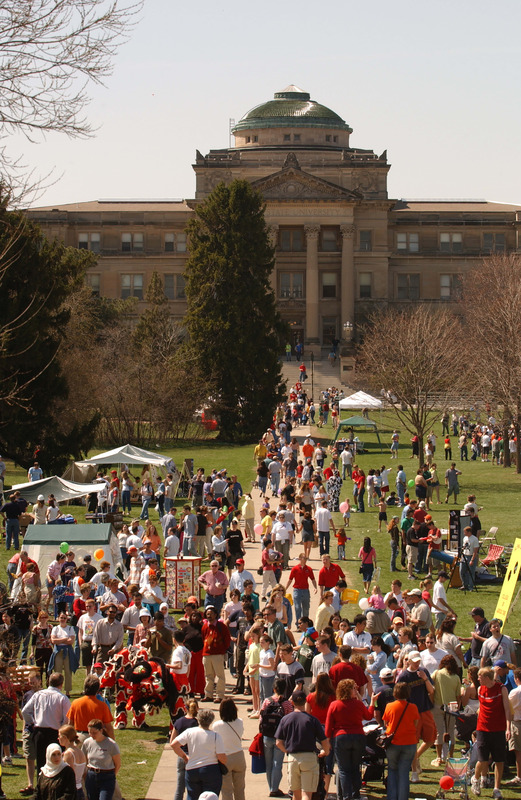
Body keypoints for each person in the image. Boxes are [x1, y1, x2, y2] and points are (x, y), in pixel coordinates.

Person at [275, 689, 330, 800]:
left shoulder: (285, 719)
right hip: (309, 757)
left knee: (296, 794)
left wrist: (287, 751)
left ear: (292, 703)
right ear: (305, 701)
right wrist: (326, 751)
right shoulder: (313, 720)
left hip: (293, 757)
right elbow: (324, 741)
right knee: (307, 794)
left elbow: (278, 742)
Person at [325, 677, 374, 800]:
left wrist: (327, 741)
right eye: (354, 688)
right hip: (358, 737)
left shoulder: (334, 705)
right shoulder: (358, 704)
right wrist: (372, 702)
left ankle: (346, 796)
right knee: (355, 767)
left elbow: (328, 727)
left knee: (344, 769)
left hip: (341, 738)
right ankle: (355, 793)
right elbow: (368, 716)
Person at [471, 667, 511, 799]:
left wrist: (508, 728)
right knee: (482, 759)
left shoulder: (501, 689)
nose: (477, 679)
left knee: (499, 760)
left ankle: (496, 788)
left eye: (479, 677)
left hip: (498, 729)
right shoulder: (479, 689)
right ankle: (475, 780)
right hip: (483, 728)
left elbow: (507, 709)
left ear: (487, 678)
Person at [171, 709, 227, 800]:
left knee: (192, 797)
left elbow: (174, 744)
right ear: (211, 721)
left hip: (192, 770)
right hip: (211, 770)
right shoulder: (216, 736)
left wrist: (184, 756)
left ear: (198, 719)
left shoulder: (189, 732)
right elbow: (222, 757)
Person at [22, 672, 71, 773]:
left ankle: (41, 786)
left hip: (39, 732)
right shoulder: (62, 698)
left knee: (41, 763)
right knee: (57, 763)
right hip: (55, 733)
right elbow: (66, 719)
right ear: (61, 684)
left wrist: (32, 723)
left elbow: (25, 711)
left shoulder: (38, 695)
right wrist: (61, 729)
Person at [382, 682, 420, 800]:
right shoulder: (413, 707)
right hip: (409, 742)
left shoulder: (389, 706)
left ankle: (392, 797)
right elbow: (415, 723)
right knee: (404, 773)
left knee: (392, 770)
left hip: (393, 743)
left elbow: (385, 723)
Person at [212, 698, 246, 800]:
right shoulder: (240, 722)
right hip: (239, 756)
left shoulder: (217, 725)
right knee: (240, 789)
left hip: (225, 758)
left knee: (226, 791)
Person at [431, 655, 461, 765]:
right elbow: (458, 696)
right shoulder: (456, 677)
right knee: (450, 732)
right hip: (452, 706)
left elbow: (430, 686)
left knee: (439, 732)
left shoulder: (437, 673)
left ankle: (439, 757)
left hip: (438, 704)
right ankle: (451, 756)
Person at [82, 719, 121, 800]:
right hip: (91, 776)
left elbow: (117, 764)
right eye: (89, 732)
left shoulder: (111, 744)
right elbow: (85, 761)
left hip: (107, 777)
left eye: (94, 733)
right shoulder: (87, 743)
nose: (91, 735)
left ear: (101, 730)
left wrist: (111, 776)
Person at [67, 675, 114, 740]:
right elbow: (108, 727)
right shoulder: (102, 705)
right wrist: (113, 743)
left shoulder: (75, 703)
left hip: (80, 737)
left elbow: (70, 724)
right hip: (96, 737)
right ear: (97, 689)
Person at [201, 605, 231, 703]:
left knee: (220, 675)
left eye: (211, 614)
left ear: (215, 615)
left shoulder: (221, 626)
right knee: (208, 675)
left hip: (218, 654)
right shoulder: (205, 626)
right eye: (207, 614)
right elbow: (203, 638)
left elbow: (227, 640)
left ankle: (220, 695)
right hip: (206, 654)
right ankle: (208, 694)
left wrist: (222, 649)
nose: (209, 616)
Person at [48, 612, 78, 697]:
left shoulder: (70, 628)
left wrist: (59, 640)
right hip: (58, 651)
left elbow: (71, 641)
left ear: (66, 619)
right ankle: (57, 690)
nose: (63, 620)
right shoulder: (55, 628)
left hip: (68, 651)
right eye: (61, 618)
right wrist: (65, 638)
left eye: (64, 618)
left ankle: (67, 691)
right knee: (57, 672)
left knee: (68, 672)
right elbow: (53, 641)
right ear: (58, 618)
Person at [285, 553, 317, 623]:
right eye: (303, 558)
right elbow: (290, 580)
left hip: (305, 590)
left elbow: (313, 579)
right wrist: (285, 588)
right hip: (297, 590)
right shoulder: (295, 569)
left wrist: (315, 587)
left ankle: (305, 623)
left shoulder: (308, 569)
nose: (305, 560)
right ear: (299, 559)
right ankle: (298, 624)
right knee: (297, 607)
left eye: (306, 558)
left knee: (306, 608)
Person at [58, 725, 86, 800]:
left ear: (65, 738)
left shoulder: (69, 754)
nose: (58, 738)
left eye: (59, 736)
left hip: (71, 791)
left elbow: (69, 776)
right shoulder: (80, 751)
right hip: (79, 789)